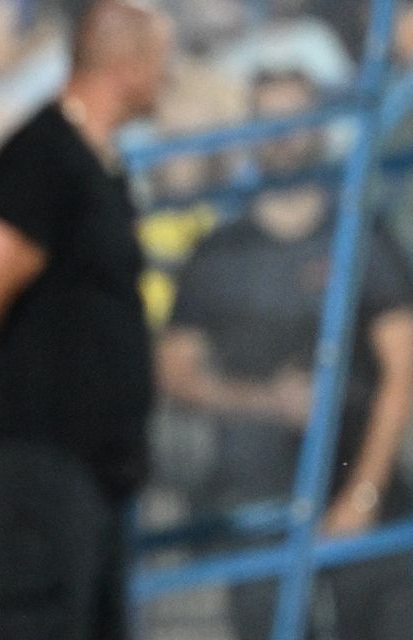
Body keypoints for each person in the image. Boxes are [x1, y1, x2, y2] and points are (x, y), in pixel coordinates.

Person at [0, 2, 172, 638]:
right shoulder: (44, 158)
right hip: (36, 481)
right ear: (128, 63)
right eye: (163, 60)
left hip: (86, 479)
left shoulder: (95, 162)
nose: (171, 77)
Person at [158, 68, 413, 640]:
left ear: (319, 129)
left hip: (363, 491)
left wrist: (363, 494)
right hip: (256, 503)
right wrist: (265, 401)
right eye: (268, 121)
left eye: (295, 120)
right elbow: (174, 372)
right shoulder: (218, 253)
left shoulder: (362, 237)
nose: (282, 136)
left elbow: (403, 369)